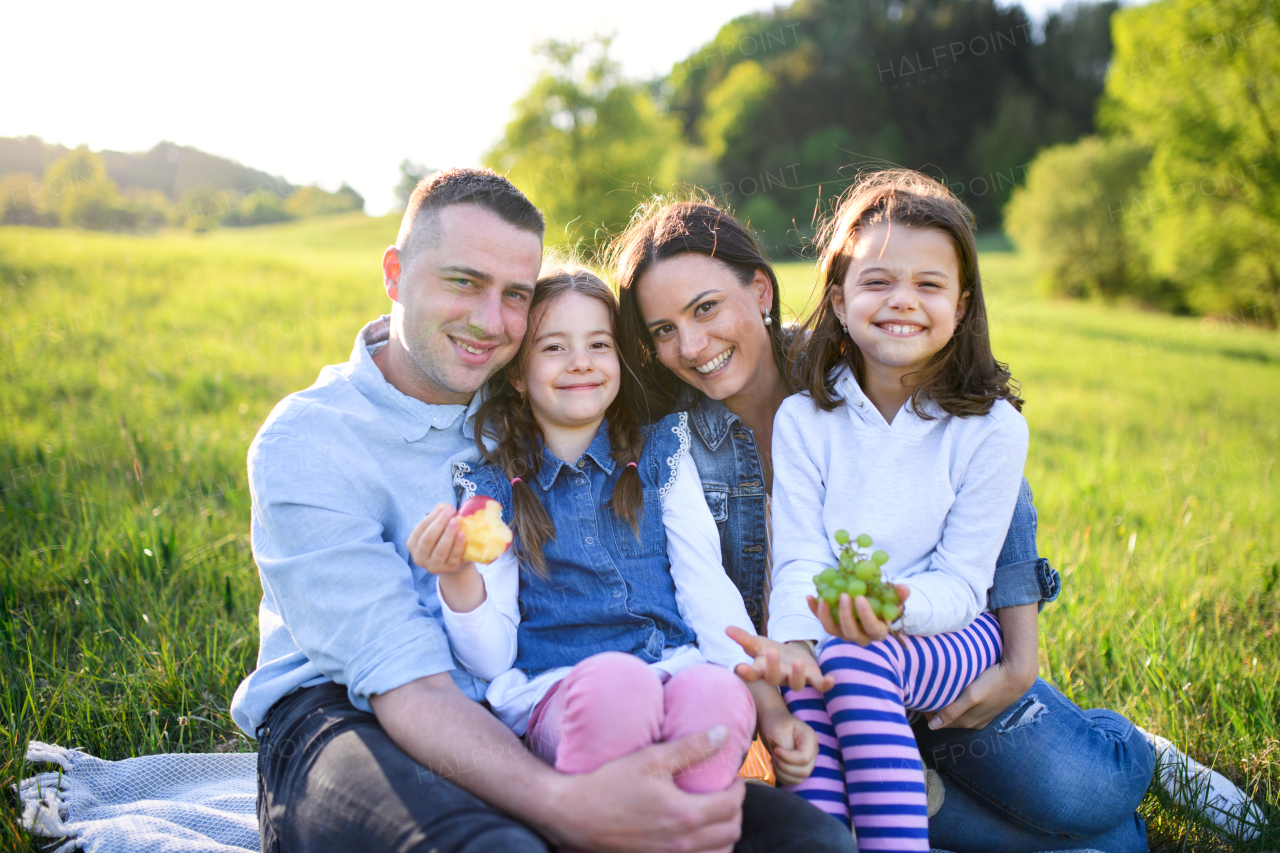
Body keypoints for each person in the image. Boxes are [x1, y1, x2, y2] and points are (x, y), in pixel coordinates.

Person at [229, 167, 854, 853]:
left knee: (811, 843)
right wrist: (564, 803)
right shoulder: (312, 440)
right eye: (462, 281)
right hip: (354, 711)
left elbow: (707, 355)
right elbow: (406, 683)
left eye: (516, 295)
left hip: (555, 706)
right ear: (395, 273)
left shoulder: (536, 400)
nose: (489, 320)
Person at [613, 193, 1166, 852]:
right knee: (1104, 848)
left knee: (1080, 793)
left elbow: (996, 494)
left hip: (929, 648)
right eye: (663, 330)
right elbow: (701, 596)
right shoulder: (670, 448)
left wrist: (1019, 658)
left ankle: (1133, 746)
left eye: (706, 308)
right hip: (817, 690)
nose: (692, 345)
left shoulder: (859, 364)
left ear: (760, 289)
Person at [408, 266, 817, 798]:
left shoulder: (662, 456)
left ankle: (694, 827)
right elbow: (490, 657)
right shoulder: (493, 490)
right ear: (515, 371)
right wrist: (458, 576)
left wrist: (768, 705)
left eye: (598, 344)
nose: (581, 362)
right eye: (554, 348)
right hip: (561, 691)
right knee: (616, 687)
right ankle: (612, 823)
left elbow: (707, 590)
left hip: (675, 670)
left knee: (716, 698)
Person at [763, 170, 1031, 851]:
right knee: (811, 678)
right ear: (839, 299)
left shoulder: (991, 428)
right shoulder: (803, 419)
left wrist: (890, 606)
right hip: (840, 631)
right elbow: (799, 555)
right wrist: (796, 645)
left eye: (929, 284)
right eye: (877, 281)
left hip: (957, 631)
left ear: (963, 304)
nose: (902, 300)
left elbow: (968, 581)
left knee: (851, 662)